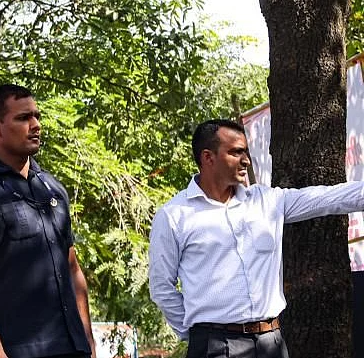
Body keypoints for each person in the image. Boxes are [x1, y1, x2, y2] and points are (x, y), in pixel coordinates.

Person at [149, 119, 364, 358]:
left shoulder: (267, 202)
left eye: (246, 152)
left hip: (272, 343)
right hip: (216, 346)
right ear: (208, 157)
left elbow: (329, 198)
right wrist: (201, 334)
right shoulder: (174, 216)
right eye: (236, 152)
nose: (246, 161)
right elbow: (161, 288)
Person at [0, 84, 96, 358]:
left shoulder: (53, 189)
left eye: (37, 116)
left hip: (72, 347)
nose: (36, 125)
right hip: (16, 350)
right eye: (23, 118)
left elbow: (73, 269)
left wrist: (89, 342)